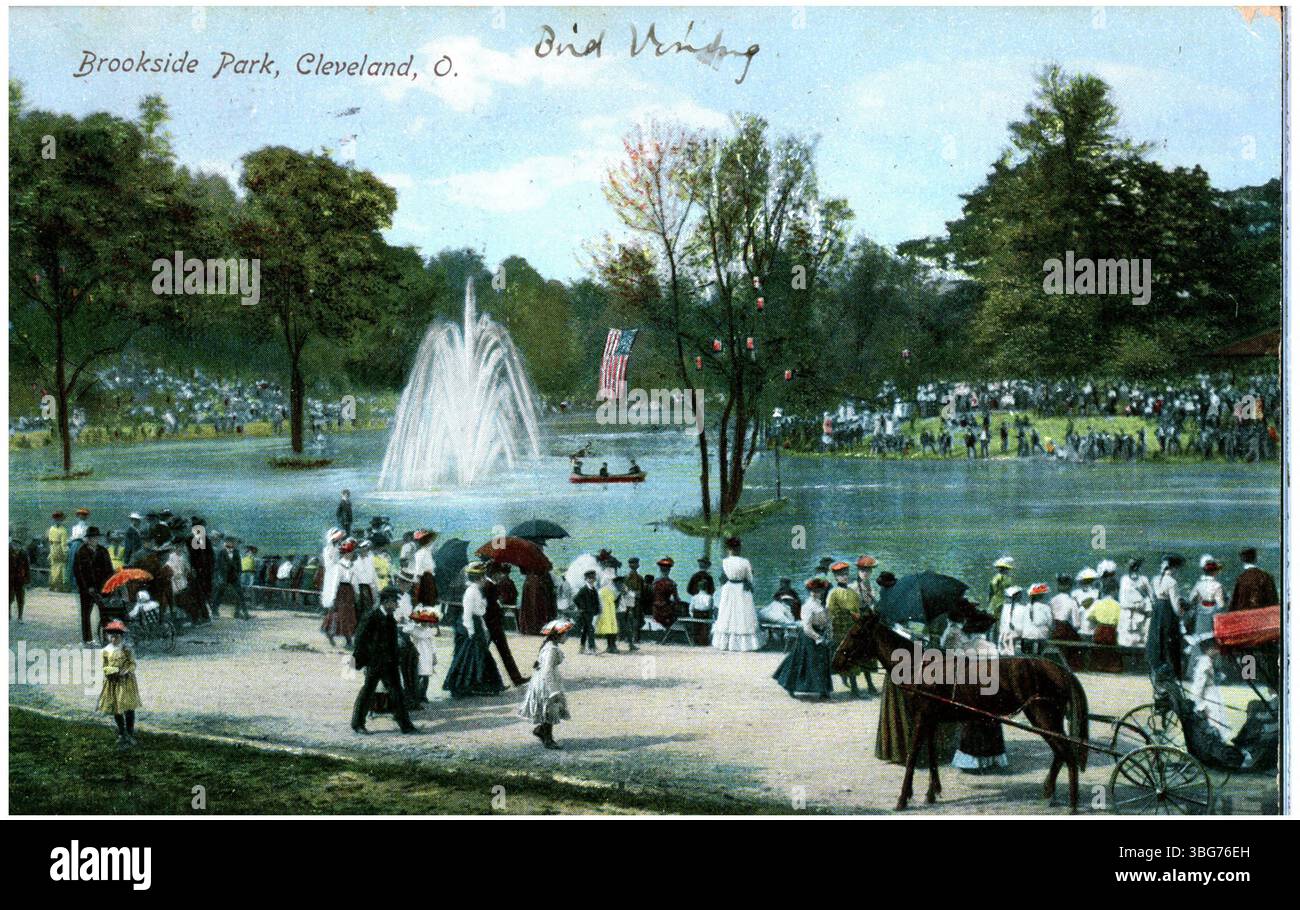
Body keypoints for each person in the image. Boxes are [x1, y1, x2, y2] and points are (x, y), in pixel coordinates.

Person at [350, 588, 417, 734]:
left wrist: (396, 659)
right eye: (394, 603)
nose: (397, 606)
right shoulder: (371, 617)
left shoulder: (389, 618)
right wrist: (360, 661)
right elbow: (360, 641)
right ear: (386, 602)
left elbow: (392, 643)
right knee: (368, 691)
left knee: (397, 693)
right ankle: (358, 724)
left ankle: (406, 725)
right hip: (375, 663)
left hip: (390, 663)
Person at [443, 562, 506, 698]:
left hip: (476, 624)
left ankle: (483, 685)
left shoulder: (476, 590)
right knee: (472, 656)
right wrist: (471, 631)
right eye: (483, 577)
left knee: (479, 656)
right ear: (479, 578)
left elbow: (479, 612)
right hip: (471, 626)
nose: (484, 580)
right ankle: (472, 685)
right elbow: (467, 614)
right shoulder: (471, 592)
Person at [772, 577, 833, 698]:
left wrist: (827, 633)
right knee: (805, 661)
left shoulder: (821, 604)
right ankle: (791, 686)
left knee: (822, 662)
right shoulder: (808, 606)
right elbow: (807, 627)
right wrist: (818, 638)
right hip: (809, 637)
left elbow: (826, 620)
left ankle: (823, 690)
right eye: (814, 591)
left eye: (819, 591)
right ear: (810, 591)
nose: (817, 593)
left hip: (820, 633)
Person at [518, 619, 573, 749]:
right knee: (550, 708)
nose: (567, 637)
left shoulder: (548, 645)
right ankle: (548, 739)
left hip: (542, 679)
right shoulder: (552, 649)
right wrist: (553, 689)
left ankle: (542, 730)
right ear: (557, 635)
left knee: (548, 708)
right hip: (546, 681)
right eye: (565, 634)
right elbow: (547, 669)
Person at [827, 561, 871, 696]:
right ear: (835, 578)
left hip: (851, 629)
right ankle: (850, 686)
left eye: (846, 574)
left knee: (853, 656)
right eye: (841, 575)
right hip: (839, 629)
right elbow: (829, 613)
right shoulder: (833, 593)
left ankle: (854, 688)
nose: (844, 577)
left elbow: (856, 611)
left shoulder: (853, 593)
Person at [711, 537, 763, 651]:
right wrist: (748, 583)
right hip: (741, 589)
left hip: (729, 588)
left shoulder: (725, 561)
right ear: (739, 548)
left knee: (727, 613)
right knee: (742, 614)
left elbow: (723, 578)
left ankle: (726, 643)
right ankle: (744, 644)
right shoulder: (745, 562)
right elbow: (750, 577)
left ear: (729, 549)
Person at [98, 620, 142, 749]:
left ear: (121, 636)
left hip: (126, 682)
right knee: (116, 708)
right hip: (113, 682)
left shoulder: (126, 649)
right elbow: (105, 667)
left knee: (128, 707)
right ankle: (122, 733)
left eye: (116, 636)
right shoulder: (106, 651)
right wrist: (111, 672)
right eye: (111, 636)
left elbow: (132, 664)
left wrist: (127, 670)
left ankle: (130, 733)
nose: (113, 639)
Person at [1147, 554, 1187, 695]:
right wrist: (1183, 610)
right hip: (1167, 617)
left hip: (1157, 615)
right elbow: (1176, 608)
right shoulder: (1172, 582)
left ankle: (1158, 680)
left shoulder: (1157, 580)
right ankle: (1171, 678)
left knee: (1158, 645)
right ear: (1175, 568)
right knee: (1170, 647)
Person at [483, 564, 527, 684]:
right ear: (495, 573)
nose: (502, 576)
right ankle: (515, 678)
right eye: (500, 573)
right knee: (492, 652)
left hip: (494, 625)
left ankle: (516, 678)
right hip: (492, 625)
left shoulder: (491, 585)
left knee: (503, 652)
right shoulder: (488, 586)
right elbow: (486, 607)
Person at [73, 527, 114, 644]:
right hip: (86, 589)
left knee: (105, 613)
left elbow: (109, 570)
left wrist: (109, 585)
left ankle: (106, 637)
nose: (94, 540)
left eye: (96, 538)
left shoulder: (103, 551)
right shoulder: (81, 552)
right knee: (86, 614)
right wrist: (86, 587)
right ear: (88, 539)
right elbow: (78, 572)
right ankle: (87, 639)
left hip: (102, 587)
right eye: (92, 538)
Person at [321, 541, 359, 648]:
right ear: (345, 553)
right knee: (341, 615)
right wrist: (333, 597)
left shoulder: (353, 566)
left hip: (349, 592)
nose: (351, 554)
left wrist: (356, 593)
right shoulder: (338, 566)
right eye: (349, 552)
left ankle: (340, 636)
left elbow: (355, 581)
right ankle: (346, 640)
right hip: (341, 592)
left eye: (351, 552)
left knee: (349, 615)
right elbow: (335, 583)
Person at [408, 603, 439, 706]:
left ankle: (423, 694)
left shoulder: (430, 631)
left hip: (428, 655)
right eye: (424, 621)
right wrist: (412, 619)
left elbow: (433, 644)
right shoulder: (415, 630)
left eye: (428, 621)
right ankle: (416, 695)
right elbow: (408, 630)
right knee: (418, 674)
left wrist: (434, 656)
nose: (426, 623)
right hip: (419, 653)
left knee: (426, 676)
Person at [1230, 548, 1278, 612]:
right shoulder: (1266, 576)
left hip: (1244, 615)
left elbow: (1235, 602)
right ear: (1255, 559)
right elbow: (1273, 599)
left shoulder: (1241, 579)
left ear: (1242, 560)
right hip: (1263, 614)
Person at [212, 536, 249, 620]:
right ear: (225, 545)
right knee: (219, 594)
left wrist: (238, 575)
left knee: (240, 594)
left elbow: (239, 566)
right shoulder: (221, 553)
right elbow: (217, 566)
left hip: (234, 577)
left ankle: (242, 612)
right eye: (227, 546)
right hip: (223, 577)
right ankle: (214, 611)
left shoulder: (236, 553)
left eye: (231, 546)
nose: (229, 548)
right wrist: (219, 577)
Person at [1118, 559, 1153, 647]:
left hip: (1140, 614)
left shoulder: (1143, 580)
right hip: (1127, 615)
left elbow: (1151, 597)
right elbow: (1122, 600)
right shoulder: (1124, 579)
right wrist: (1133, 606)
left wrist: (1144, 605)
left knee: (1139, 639)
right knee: (1126, 640)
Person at [519, 567, 557, 636]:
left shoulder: (530, 577)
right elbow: (551, 591)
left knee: (532, 609)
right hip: (541, 596)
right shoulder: (543, 576)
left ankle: (531, 629)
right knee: (540, 611)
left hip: (535, 591)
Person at [573, 568, 601, 655]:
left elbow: (596, 601)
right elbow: (575, 598)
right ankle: (591, 648)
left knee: (586, 630)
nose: (591, 580)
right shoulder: (583, 589)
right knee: (591, 629)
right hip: (585, 613)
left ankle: (581, 648)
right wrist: (582, 607)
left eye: (593, 578)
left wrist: (597, 610)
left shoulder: (594, 589)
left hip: (590, 613)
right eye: (589, 578)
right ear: (586, 579)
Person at [650, 557, 681, 631]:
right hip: (666, 609)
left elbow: (651, 595)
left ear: (660, 569)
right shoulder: (671, 583)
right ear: (669, 570)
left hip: (655, 608)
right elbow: (676, 598)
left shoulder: (655, 582)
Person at [411, 529, 439, 608]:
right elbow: (418, 570)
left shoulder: (427, 552)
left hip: (429, 579)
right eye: (429, 540)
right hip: (424, 579)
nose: (431, 542)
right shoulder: (420, 553)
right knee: (425, 602)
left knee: (429, 603)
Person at [595, 572, 622, 653]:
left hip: (607, 610)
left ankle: (611, 646)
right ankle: (611, 646)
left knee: (611, 629)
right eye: (619, 582)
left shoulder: (613, 589)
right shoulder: (611, 589)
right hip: (607, 611)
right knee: (611, 629)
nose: (620, 584)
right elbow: (614, 602)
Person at [623, 557, 645, 644]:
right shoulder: (631, 577)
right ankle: (633, 637)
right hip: (632, 599)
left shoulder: (637, 577)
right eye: (633, 563)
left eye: (635, 563)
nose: (635, 565)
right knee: (633, 618)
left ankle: (633, 637)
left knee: (633, 618)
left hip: (633, 599)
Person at [615, 575, 639, 651]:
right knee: (625, 628)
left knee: (626, 628)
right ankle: (629, 645)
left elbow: (628, 597)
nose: (621, 583)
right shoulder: (618, 590)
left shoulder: (622, 589)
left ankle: (630, 645)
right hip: (620, 611)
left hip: (622, 611)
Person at [10, 536, 30, 621]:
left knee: (20, 598)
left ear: (20, 546)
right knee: (9, 598)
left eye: (17, 545)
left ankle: (20, 616)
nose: (16, 546)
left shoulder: (23, 554)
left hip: (20, 579)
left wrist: (28, 580)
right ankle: (8, 614)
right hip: (9, 579)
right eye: (14, 544)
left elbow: (27, 568)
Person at [47, 511, 69, 592]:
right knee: (59, 567)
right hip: (57, 548)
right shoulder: (62, 530)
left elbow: (62, 543)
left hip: (55, 548)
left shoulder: (55, 529)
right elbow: (63, 544)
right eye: (56, 519)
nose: (57, 521)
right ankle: (58, 586)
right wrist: (66, 553)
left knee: (56, 567)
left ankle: (55, 585)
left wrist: (51, 552)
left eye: (58, 519)